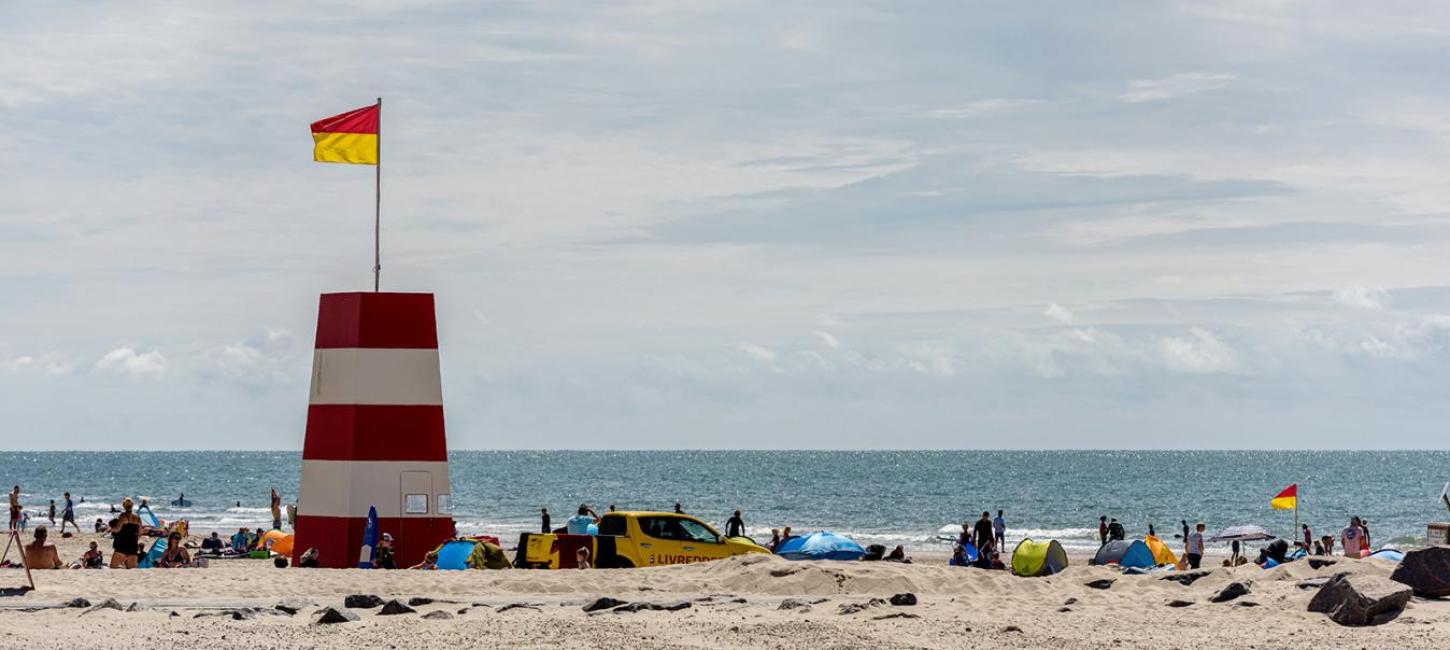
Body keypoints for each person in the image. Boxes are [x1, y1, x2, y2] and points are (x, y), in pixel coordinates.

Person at [109, 497, 143, 569]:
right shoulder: (138, 518)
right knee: (131, 569)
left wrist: (110, 529)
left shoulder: (123, 516)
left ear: (123, 506)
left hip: (122, 545)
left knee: (113, 567)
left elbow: (118, 529)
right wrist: (135, 541)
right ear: (132, 505)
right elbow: (140, 533)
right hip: (133, 545)